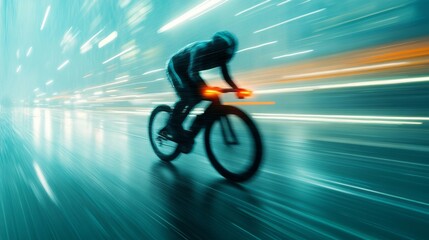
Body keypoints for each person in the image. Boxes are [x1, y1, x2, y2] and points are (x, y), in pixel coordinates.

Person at [165, 31, 241, 148]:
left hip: (189, 71)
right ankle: (172, 124)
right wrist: (206, 88)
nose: (223, 58)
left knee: (202, 96)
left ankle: (192, 130)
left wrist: (237, 89)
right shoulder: (200, 49)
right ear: (217, 48)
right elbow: (193, 73)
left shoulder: (221, 58)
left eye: (225, 56)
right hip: (175, 67)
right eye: (222, 54)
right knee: (188, 97)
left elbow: (226, 76)